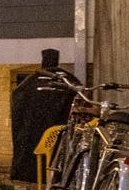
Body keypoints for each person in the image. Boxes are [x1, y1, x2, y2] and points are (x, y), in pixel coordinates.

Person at [10, 48, 79, 181]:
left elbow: (18, 97)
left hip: (32, 126)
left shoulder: (33, 79)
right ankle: (58, 177)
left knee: (33, 149)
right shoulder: (67, 78)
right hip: (60, 125)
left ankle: (29, 175)